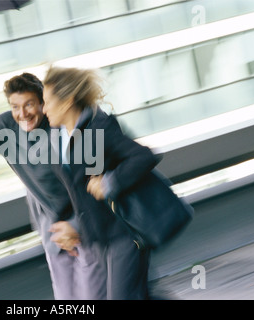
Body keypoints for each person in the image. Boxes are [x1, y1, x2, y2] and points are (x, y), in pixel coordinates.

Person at [0, 73, 103, 299]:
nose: (23, 114)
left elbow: (95, 180)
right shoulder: (5, 128)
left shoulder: (63, 121)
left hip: (89, 223)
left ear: (43, 103)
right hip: (53, 232)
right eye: (15, 106)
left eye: (29, 104)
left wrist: (76, 225)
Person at [42, 66, 160, 299]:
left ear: (66, 102)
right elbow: (80, 192)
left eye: (47, 102)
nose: (43, 109)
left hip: (124, 233)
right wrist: (74, 226)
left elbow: (143, 157)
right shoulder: (60, 138)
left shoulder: (99, 126)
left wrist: (109, 182)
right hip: (98, 237)